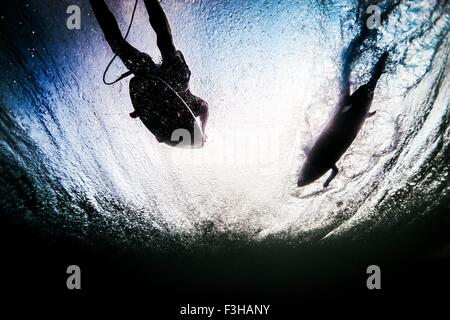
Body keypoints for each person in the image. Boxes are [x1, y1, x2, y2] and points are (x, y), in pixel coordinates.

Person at [89, 0, 209, 143]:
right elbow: (204, 107)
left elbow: (148, 110)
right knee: (165, 41)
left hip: (150, 75)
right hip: (177, 80)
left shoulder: (159, 115)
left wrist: (139, 108)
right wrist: (203, 130)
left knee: (118, 45)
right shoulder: (191, 105)